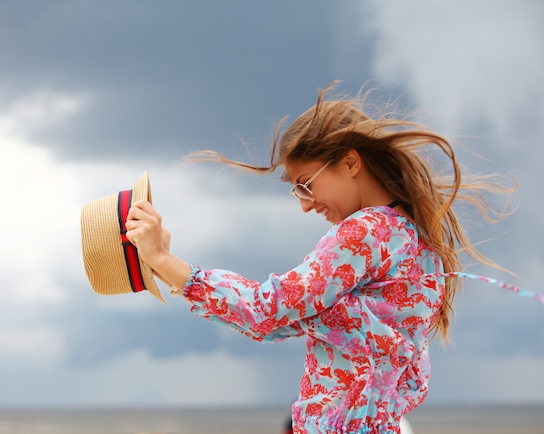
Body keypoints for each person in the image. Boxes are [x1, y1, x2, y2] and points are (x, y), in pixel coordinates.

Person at [124, 83, 514, 433]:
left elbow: (268, 310)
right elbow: (280, 321)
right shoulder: (418, 244)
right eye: (298, 192)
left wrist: (161, 258)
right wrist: (166, 266)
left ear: (349, 162)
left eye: (306, 185)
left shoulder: (365, 233)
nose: (306, 206)